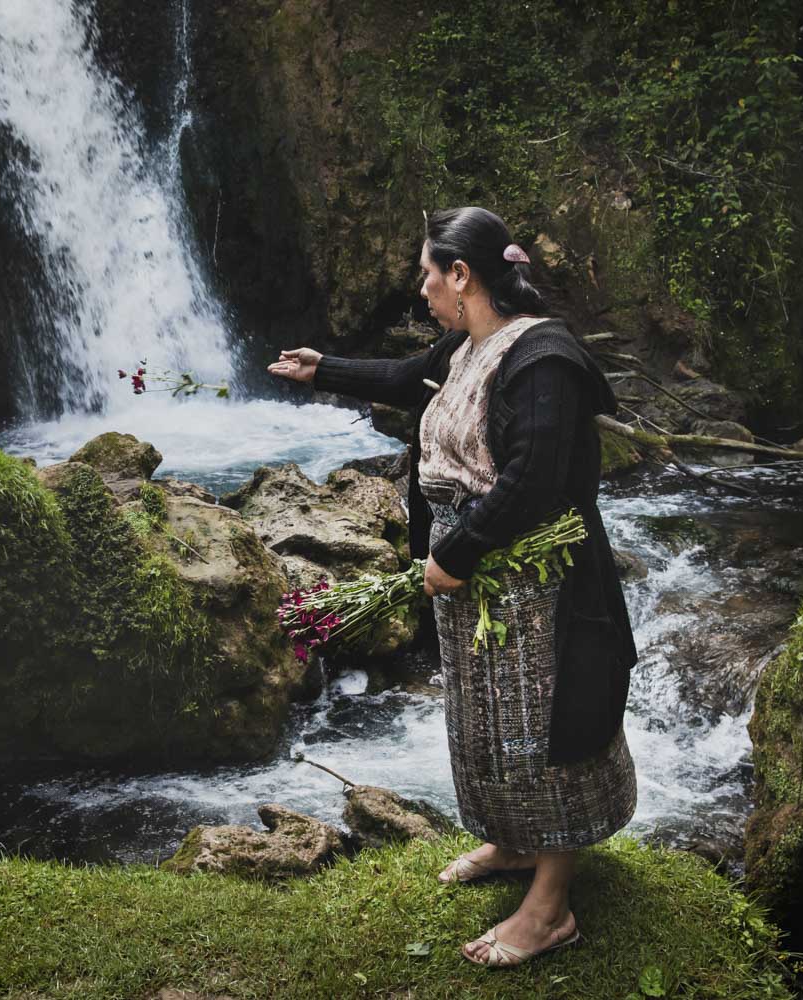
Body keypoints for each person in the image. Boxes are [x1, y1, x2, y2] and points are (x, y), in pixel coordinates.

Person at [268, 206, 637, 968]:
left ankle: (551, 909)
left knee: (547, 731)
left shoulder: (544, 360)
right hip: (482, 583)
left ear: (462, 276)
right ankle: (512, 841)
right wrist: (322, 370)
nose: (422, 288)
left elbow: (534, 479)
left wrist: (457, 552)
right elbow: (409, 380)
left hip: (540, 586)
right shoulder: (472, 342)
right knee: (491, 722)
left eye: (427, 275)